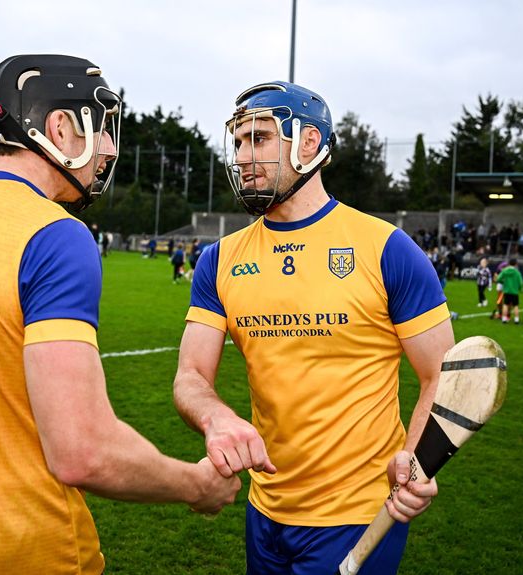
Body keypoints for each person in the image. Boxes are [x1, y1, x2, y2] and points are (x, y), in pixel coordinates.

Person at [0, 55, 239, 575]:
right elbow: (82, 450)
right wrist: (196, 484)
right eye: (103, 126)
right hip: (24, 552)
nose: (111, 148)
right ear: (58, 127)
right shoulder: (54, 234)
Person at [172, 81, 451, 574]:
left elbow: (442, 373)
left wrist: (414, 458)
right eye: (237, 142)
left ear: (308, 144)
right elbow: (191, 375)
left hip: (359, 515)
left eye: (258, 139)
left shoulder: (386, 249)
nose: (242, 156)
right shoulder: (219, 260)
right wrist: (215, 417)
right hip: (265, 510)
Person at [497, 258, 523, 324]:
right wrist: (520, 288)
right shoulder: (517, 272)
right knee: (515, 305)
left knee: (505, 304)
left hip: (507, 290)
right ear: (516, 264)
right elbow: (521, 282)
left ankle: (504, 319)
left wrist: (503, 282)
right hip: (514, 291)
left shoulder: (505, 271)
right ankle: (516, 320)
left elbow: (498, 278)